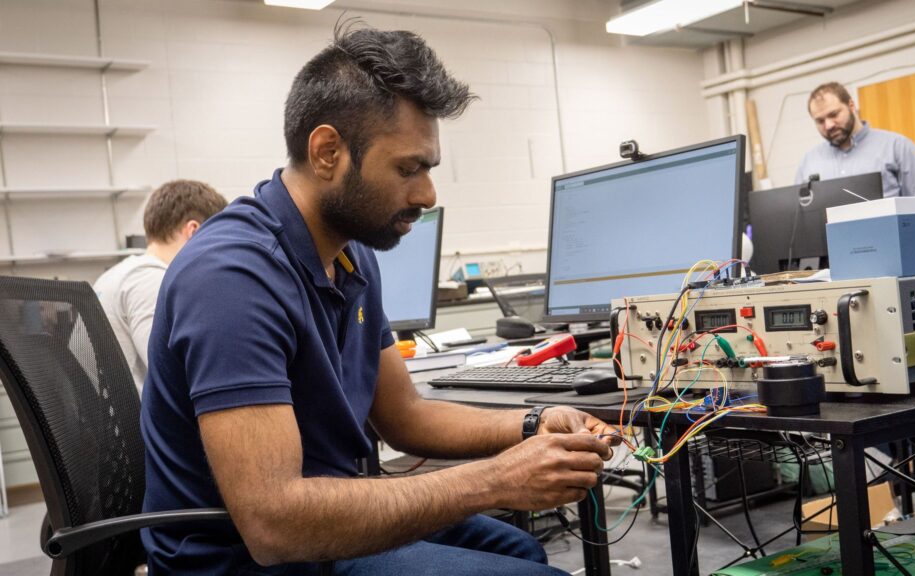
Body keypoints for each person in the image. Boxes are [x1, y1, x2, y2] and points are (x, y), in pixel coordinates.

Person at [141, 25, 618, 575]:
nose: (427, 194)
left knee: (517, 548)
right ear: (327, 152)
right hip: (246, 560)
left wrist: (536, 423)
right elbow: (274, 523)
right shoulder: (231, 276)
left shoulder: (352, 255)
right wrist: (497, 479)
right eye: (408, 169)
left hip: (316, 525)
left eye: (429, 169)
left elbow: (404, 416)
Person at [93, 179, 226, 393]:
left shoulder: (116, 275)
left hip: (106, 421)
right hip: (139, 424)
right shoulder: (151, 280)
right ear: (193, 231)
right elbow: (176, 373)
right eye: (217, 239)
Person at [796, 82, 915, 198]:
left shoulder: (897, 147)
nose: (829, 125)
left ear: (851, 106)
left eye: (834, 114)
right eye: (820, 121)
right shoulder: (809, 162)